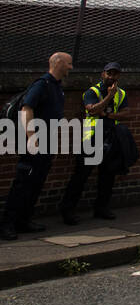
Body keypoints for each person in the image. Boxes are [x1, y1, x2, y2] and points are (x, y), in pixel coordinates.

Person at [1, 52, 70, 240]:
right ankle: (7, 224)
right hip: (34, 144)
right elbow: (26, 109)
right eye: (69, 63)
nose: (71, 67)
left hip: (47, 144)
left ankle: (24, 220)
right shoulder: (42, 84)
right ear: (58, 63)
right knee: (22, 184)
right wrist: (32, 138)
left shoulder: (57, 87)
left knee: (36, 183)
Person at [59, 61, 128, 224]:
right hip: (91, 138)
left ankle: (101, 208)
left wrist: (109, 115)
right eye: (109, 73)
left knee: (107, 176)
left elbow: (127, 113)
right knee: (81, 177)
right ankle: (67, 210)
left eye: (115, 74)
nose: (111, 77)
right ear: (102, 74)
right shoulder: (92, 91)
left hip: (111, 137)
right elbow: (91, 109)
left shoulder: (122, 93)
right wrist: (109, 97)